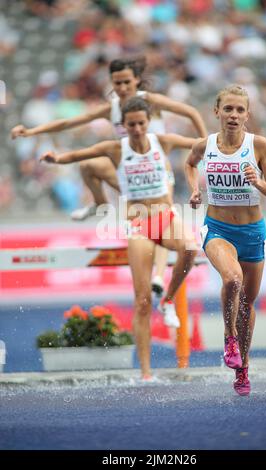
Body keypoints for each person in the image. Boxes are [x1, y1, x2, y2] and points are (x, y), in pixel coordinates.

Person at [11, 56, 207, 298]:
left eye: (127, 82)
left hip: (158, 176)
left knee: (160, 217)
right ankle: (100, 204)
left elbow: (191, 112)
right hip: (130, 173)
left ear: (136, 80)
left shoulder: (151, 101)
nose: (122, 88)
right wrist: (31, 131)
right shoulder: (112, 108)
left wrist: (205, 146)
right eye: (117, 83)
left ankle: (158, 276)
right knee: (88, 165)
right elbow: (69, 122)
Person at [40, 97, 198, 380]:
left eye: (141, 123)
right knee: (141, 301)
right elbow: (82, 155)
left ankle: (169, 299)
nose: (137, 129)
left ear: (148, 122)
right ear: (123, 126)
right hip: (138, 223)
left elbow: (198, 143)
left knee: (190, 247)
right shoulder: (116, 148)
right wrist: (57, 159)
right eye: (131, 124)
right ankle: (147, 373)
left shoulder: (163, 141)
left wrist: (226, 139)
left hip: (166, 218)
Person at [185, 85, 266, 396]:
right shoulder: (205, 145)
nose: (233, 115)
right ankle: (229, 338)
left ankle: (243, 368)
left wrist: (259, 181)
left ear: (247, 115)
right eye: (228, 109)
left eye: (240, 110)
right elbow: (189, 163)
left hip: (253, 233)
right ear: (217, 112)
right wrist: (194, 189)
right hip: (218, 230)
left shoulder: (259, 145)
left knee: (246, 306)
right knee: (232, 278)